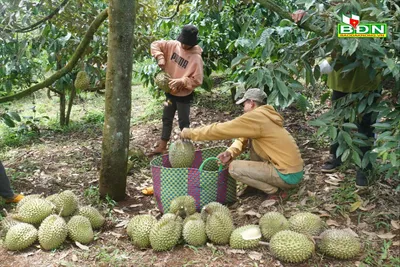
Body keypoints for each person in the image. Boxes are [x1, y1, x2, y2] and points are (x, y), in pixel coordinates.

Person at [292, 7, 381, 187]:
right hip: (340, 79)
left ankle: (365, 166)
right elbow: (323, 26)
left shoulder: (369, 5)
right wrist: (305, 16)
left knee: (365, 124)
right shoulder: (333, 5)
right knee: (338, 121)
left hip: (365, 79)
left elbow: (375, 30)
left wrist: (333, 56)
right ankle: (337, 155)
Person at [180, 88, 304, 199]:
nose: (243, 109)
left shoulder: (256, 118)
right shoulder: (264, 117)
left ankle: (274, 192)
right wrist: (230, 152)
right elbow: (242, 139)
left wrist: (191, 133)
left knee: (234, 168)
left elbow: (220, 129)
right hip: (293, 171)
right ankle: (257, 186)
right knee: (253, 143)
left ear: (251, 103)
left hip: (287, 175)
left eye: (244, 104)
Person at [147, 25, 204, 156]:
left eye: (187, 44)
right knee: (166, 118)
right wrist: (160, 56)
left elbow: (198, 80)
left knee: (184, 122)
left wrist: (183, 81)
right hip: (170, 94)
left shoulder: (196, 58)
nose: (184, 46)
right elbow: (155, 44)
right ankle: (162, 146)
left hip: (184, 96)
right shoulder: (173, 45)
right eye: (182, 43)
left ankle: (187, 150)